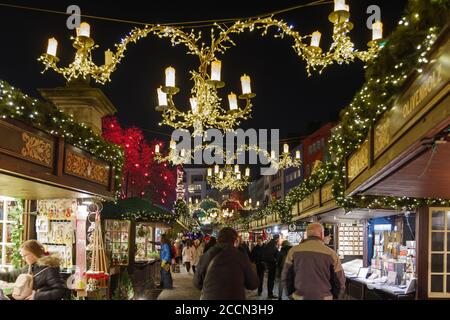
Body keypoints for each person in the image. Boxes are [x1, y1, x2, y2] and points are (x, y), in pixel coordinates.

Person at [282, 223, 345, 300]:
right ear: (322, 234)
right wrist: (335, 298)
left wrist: (291, 295)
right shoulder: (331, 254)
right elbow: (340, 281)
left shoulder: (293, 251)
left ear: (307, 234)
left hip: (299, 297)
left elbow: (286, 277)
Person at [193, 227, 258, 300]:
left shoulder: (207, 255)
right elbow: (253, 284)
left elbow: (197, 283)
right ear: (235, 241)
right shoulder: (240, 256)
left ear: (218, 239)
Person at [0, 240, 66, 300]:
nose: (23, 258)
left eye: (25, 255)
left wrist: (37, 296)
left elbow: (61, 291)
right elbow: (10, 276)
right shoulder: (29, 267)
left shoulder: (49, 269)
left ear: (34, 253)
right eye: (22, 256)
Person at [262, 234, 279, 299]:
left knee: (271, 279)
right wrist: (275, 260)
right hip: (271, 265)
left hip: (270, 264)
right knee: (271, 279)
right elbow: (269, 255)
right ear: (277, 238)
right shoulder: (272, 244)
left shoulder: (271, 244)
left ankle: (270, 293)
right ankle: (270, 294)